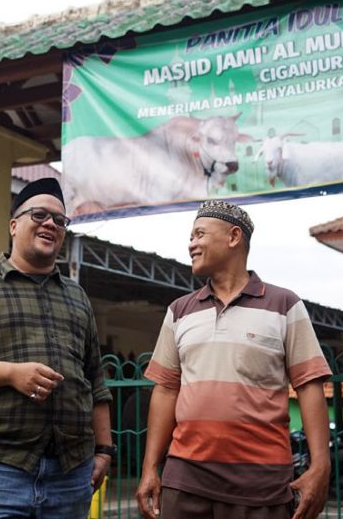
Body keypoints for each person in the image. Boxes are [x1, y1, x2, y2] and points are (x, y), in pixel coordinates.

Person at [0, 177, 114, 518]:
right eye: (40, 215)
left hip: (69, 475)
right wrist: (11, 374)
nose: (51, 224)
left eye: (60, 220)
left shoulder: (77, 297)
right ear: (14, 225)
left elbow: (95, 381)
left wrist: (103, 450)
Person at [136, 199, 332, 519]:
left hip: (261, 485)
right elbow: (166, 390)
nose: (191, 244)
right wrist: (149, 469)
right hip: (185, 482)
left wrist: (320, 466)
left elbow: (309, 384)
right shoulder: (179, 311)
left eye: (199, 234)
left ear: (233, 237)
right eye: (191, 237)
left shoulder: (284, 304)